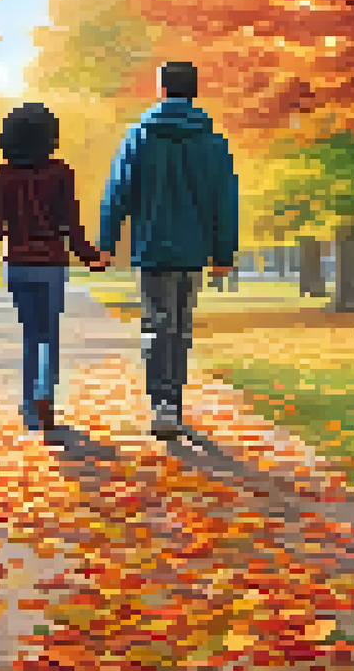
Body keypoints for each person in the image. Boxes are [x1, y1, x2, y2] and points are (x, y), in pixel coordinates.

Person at [98, 61, 239, 439]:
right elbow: (225, 199)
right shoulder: (212, 140)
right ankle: (172, 402)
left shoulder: (139, 136)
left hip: (152, 248)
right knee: (180, 325)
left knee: (157, 323)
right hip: (194, 250)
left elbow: (118, 193)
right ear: (194, 91)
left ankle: (163, 403)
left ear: (161, 90)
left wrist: (106, 244)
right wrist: (223, 253)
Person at [0, 103, 107, 443]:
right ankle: (46, 394)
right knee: (48, 333)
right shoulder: (61, 173)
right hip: (51, 263)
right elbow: (71, 225)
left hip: (18, 264)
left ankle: (29, 406)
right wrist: (90, 257)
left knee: (30, 335)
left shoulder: (3, 175)